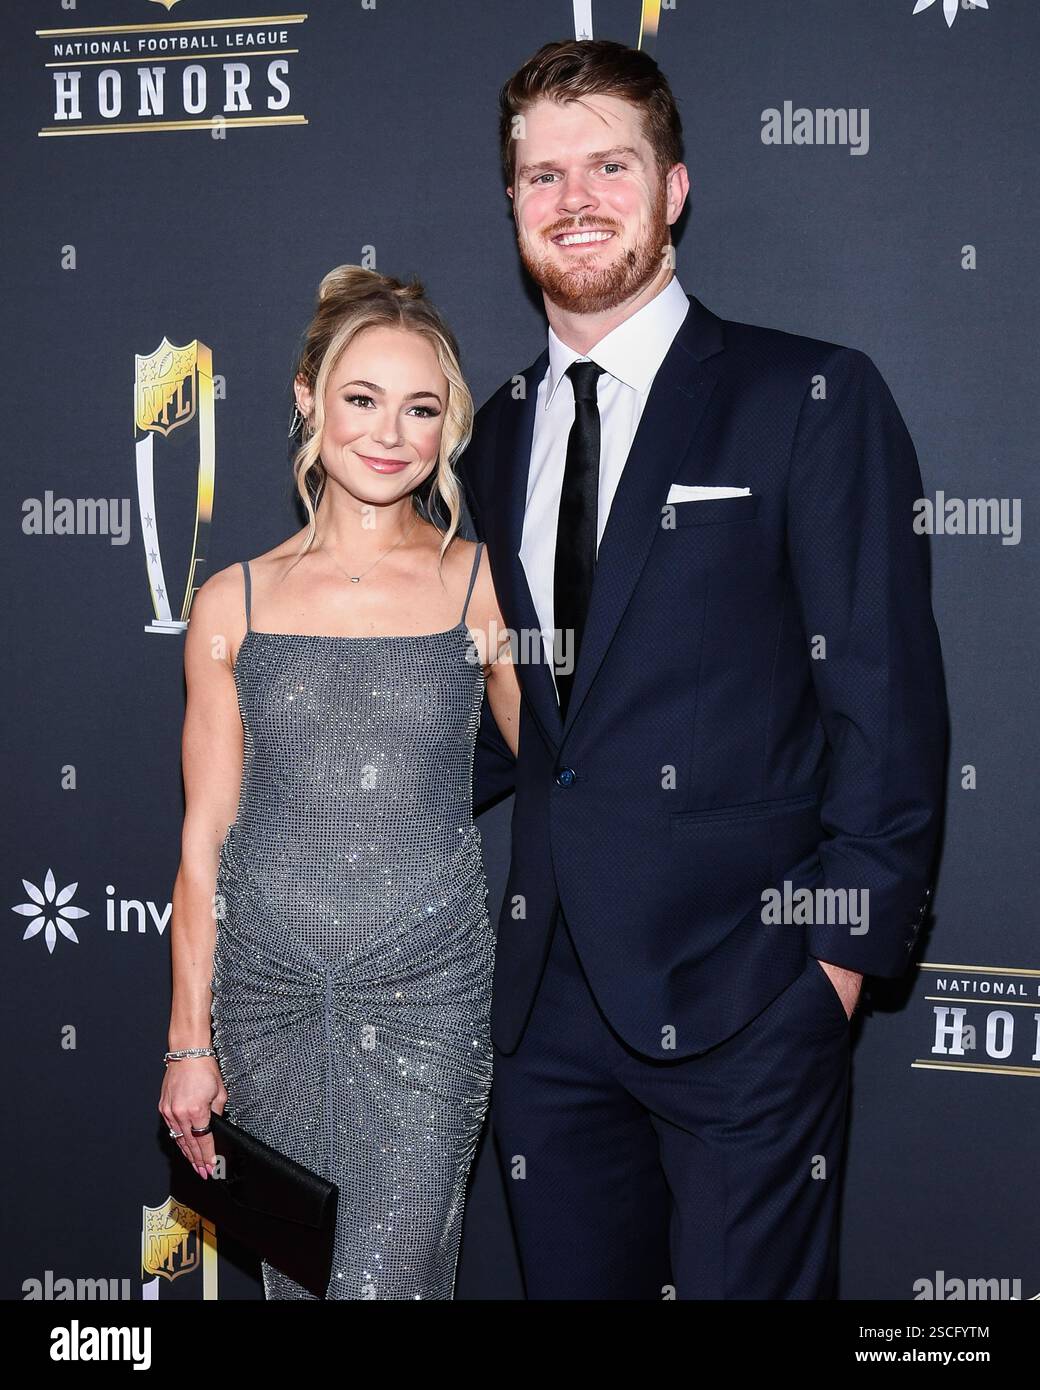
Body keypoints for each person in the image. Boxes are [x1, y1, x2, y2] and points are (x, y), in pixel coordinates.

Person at [459, 40, 948, 1299]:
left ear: (672, 187)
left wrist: (829, 976)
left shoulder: (808, 396)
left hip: (749, 992)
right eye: (542, 174)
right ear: (510, 201)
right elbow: (507, 722)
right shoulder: (490, 428)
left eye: (609, 165)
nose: (574, 198)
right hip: (546, 1012)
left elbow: (884, 710)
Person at [159, 265, 520, 1300]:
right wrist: (189, 1040)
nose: (390, 433)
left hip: (425, 995)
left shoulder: (480, 583)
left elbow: (561, 783)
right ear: (309, 397)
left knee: (388, 1280)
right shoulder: (233, 602)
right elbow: (204, 838)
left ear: (447, 424)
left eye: (421, 407)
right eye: (362, 399)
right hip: (267, 996)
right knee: (295, 1284)